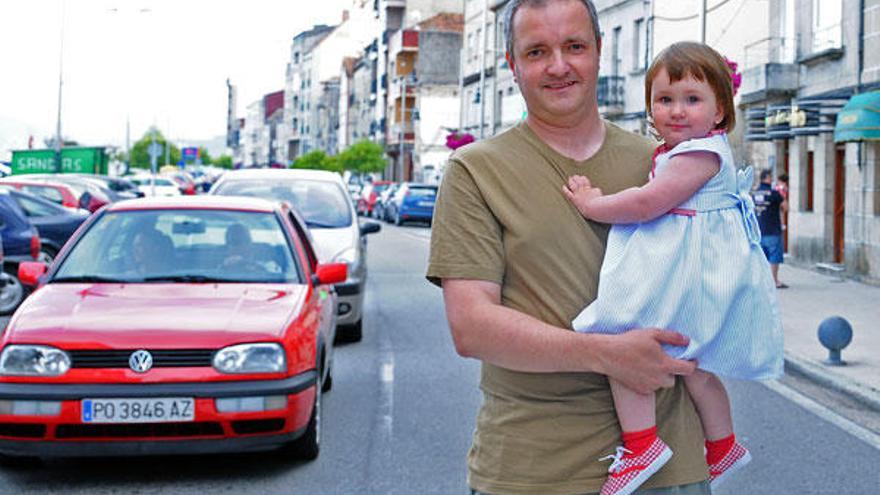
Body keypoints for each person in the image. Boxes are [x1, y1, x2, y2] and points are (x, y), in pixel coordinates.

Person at [427, 1, 709, 494]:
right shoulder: (475, 171)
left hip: (669, 470)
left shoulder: (666, 164)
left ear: (599, 52)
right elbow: (472, 327)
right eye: (537, 51)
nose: (558, 66)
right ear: (512, 66)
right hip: (533, 470)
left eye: (574, 46)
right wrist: (607, 354)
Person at [564, 42, 784, 494]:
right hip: (701, 272)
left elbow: (648, 203)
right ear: (649, 106)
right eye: (665, 100)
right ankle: (723, 446)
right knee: (696, 368)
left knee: (620, 341)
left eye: (692, 99)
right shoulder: (694, 149)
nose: (677, 111)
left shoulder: (700, 155)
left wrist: (594, 204)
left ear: (720, 109)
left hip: (688, 274)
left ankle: (642, 443)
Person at [753, 169, 789, 288]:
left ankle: (761, 281)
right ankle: (774, 281)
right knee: (774, 256)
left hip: (758, 231)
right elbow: (785, 207)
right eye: (771, 177)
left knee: (761, 257)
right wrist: (783, 195)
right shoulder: (774, 193)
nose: (772, 180)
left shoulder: (754, 193)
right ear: (767, 178)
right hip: (773, 230)